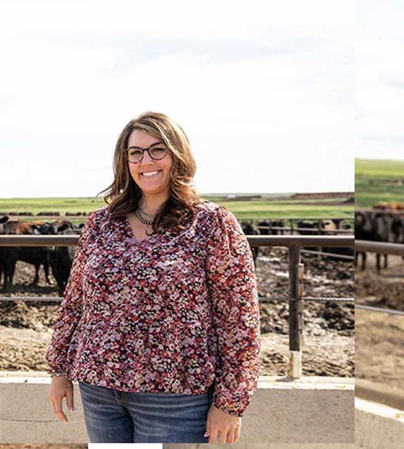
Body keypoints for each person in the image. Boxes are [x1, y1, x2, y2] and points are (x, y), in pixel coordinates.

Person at [45, 111, 260, 444]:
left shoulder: (211, 224)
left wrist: (231, 402)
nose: (146, 160)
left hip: (176, 395)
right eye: (136, 152)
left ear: (178, 155)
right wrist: (59, 369)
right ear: (125, 161)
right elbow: (75, 301)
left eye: (158, 149)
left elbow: (239, 319)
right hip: (101, 389)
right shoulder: (103, 223)